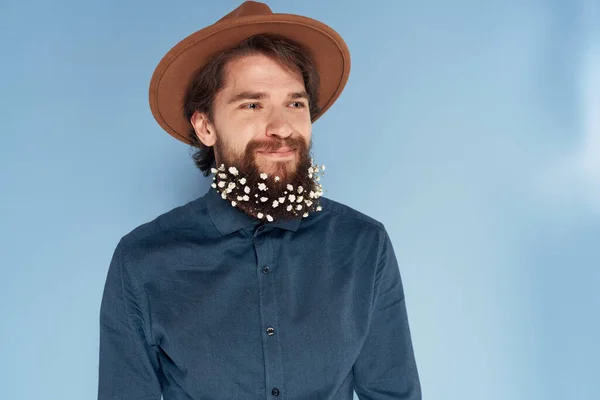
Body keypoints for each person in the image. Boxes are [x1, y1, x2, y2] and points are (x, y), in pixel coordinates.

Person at [98, 1, 421, 399]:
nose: (282, 126)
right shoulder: (143, 260)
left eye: (295, 103)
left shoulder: (363, 244)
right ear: (205, 126)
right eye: (252, 104)